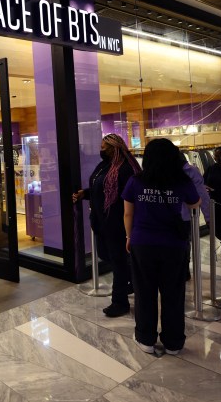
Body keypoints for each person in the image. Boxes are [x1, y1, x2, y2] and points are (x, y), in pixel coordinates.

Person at [122, 138, 200, 356]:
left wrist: (129, 236)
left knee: (144, 291)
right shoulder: (182, 181)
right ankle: (174, 342)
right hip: (174, 244)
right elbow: (195, 203)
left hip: (142, 242)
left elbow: (128, 213)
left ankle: (146, 339)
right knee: (173, 293)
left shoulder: (136, 181)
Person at [72, 134, 141, 317]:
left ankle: (120, 302)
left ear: (114, 148)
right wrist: (84, 194)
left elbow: (131, 198)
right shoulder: (105, 165)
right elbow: (99, 187)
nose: (101, 150)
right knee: (107, 255)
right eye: (101, 147)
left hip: (117, 224)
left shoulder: (126, 169)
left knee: (118, 262)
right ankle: (132, 280)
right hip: (101, 221)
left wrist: (129, 228)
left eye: (105, 147)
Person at [181, 152, 210, 280]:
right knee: (183, 243)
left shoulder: (154, 172)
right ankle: (184, 270)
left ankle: (181, 269)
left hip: (164, 218)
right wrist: (208, 217)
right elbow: (202, 194)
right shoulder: (191, 170)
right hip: (185, 215)